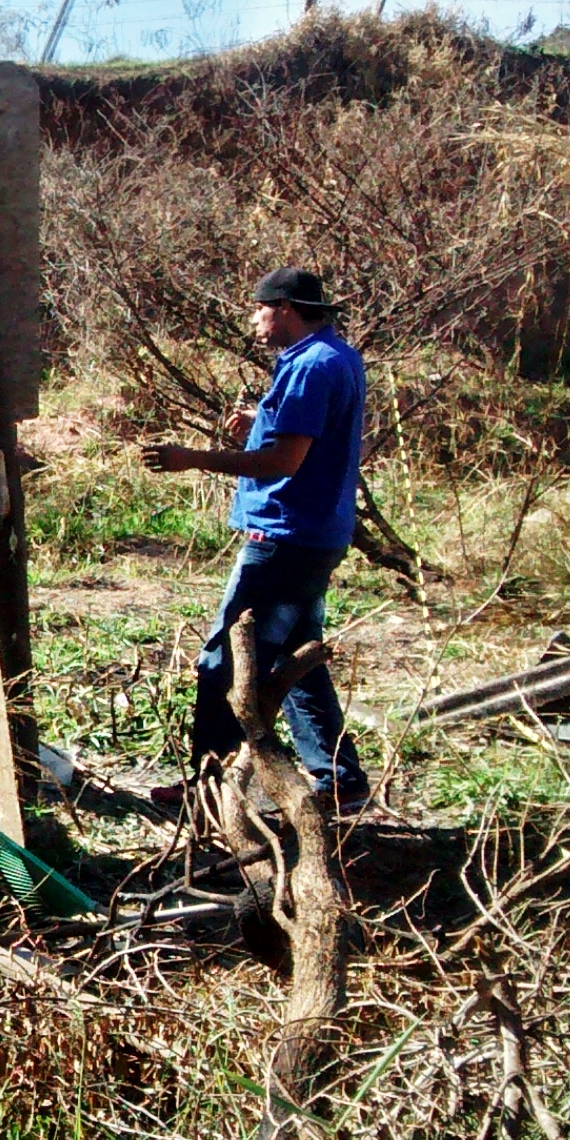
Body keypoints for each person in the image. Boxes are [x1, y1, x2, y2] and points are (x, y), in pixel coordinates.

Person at [137, 267, 371, 811]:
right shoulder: (335, 358)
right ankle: (340, 777)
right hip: (315, 533)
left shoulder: (312, 367)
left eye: (258, 309)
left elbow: (284, 460)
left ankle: (211, 784)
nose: (254, 320)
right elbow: (302, 436)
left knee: (224, 661)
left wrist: (189, 459)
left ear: (285, 307)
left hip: (285, 537)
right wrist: (262, 416)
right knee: (296, 658)